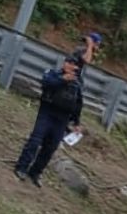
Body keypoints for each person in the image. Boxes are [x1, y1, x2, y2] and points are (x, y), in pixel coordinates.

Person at [14, 56, 83, 187]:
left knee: (50, 148)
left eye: (75, 65)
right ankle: (21, 167)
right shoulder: (53, 74)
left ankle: (35, 173)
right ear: (65, 64)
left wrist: (77, 123)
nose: (72, 66)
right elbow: (46, 83)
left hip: (62, 120)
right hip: (47, 113)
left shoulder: (77, 84)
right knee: (35, 141)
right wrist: (63, 80)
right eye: (70, 63)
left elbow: (78, 104)